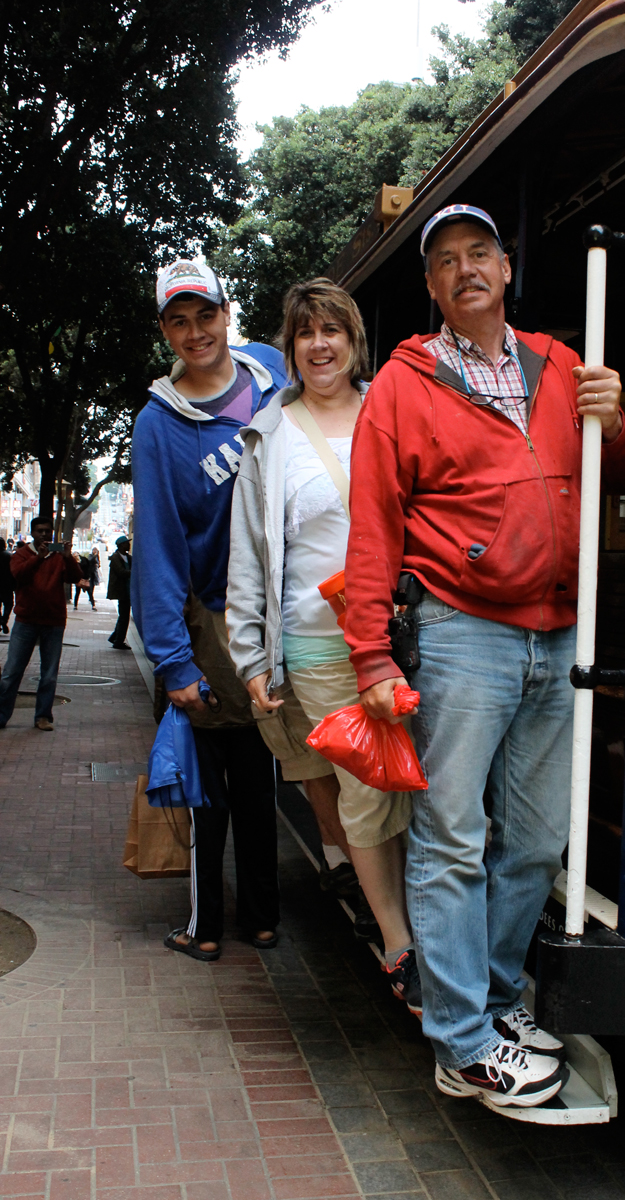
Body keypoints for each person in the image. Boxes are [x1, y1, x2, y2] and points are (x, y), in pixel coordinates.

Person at [343, 205, 625, 1112]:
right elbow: (372, 525)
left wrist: (615, 418)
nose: (465, 270)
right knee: (452, 840)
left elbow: (610, 465)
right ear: (431, 288)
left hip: (558, 630)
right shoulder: (404, 382)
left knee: (539, 840)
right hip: (461, 628)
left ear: (506, 269)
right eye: (446, 262)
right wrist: (371, 661)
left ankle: (495, 1002)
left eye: (480, 253)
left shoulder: (557, 363)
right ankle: (462, 1040)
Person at [226, 278, 419, 1009]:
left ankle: (421, 923)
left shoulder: (393, 408)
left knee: (419, 788)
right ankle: (399, 943)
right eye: (306, 333)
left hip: (401, 631)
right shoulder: (268, 436)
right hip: (315, 643)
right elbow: (249, 553)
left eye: (332, 330)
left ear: (354, 339)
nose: (320, 345)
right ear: (291, 347)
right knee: (368, 792)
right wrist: (251, 656)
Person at [131, 258, 286, 961]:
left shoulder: (271, 376)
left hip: (279, 617)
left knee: (259, 780)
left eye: (205, 314)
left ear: (228, 313)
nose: (196, 332)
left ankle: (259, 916)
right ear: (166, 330)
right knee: (210, 784)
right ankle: (208, 925)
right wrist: (172, 661)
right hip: (213, 626)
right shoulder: (159, 424)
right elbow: (158, 548)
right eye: (178, 320)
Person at [0, 516, 84, 730]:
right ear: (32, 532)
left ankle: (43, 716)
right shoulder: (21, 554)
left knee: (49, 673)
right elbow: (19, 575)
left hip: (53, 621)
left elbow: (76, 578)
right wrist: (39, 557)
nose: (45, 535)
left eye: (48, 531)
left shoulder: (59, 557)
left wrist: (68, 558)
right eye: (40, 531)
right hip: (26, 621)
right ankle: (1, 715)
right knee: (12, 671)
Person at [107, 536, 132, 646]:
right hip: (121, 592)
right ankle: (118, 641)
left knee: (124, 616)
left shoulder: (129, 557)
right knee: (124, 616)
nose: (129, 545)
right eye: (127, 543)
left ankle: (115, 637)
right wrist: (135, 571)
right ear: (121, 545)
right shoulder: (115, 558)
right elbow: (121, 572)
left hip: (128, 591)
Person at [0, 538, 13, 633]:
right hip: (7, 585)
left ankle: (1, 620)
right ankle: (4, 620)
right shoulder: (9, 556)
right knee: (8, 604)